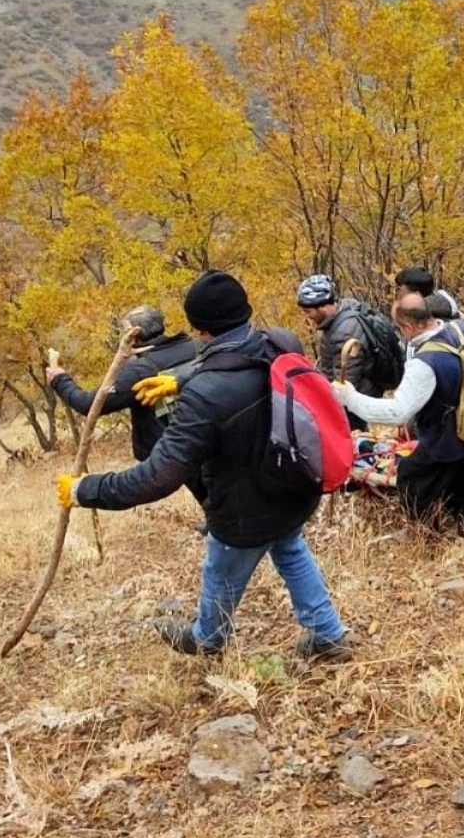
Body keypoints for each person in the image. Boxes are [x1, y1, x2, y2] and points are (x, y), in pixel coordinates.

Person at [57, 271, 349, 659]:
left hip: (244, 512)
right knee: (290, 548)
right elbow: (241, 356)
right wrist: (180, 378)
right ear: (245, 311)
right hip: (293, 486)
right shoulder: (281, 342)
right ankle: (327, 634)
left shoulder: (206, 396)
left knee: (221, 570)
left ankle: (207, 639)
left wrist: (84, 490)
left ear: (199, 330)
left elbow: (157, 477)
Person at [332, 292, 464, 528]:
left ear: (409, 326)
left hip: (443, 442)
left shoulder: (425, 361)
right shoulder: (461, 330)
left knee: (411, 481)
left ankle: (428, 539)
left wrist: (351, 398)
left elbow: (398, 412)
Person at [46, 305, 206, 508]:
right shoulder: (196, 347)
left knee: (204, 488)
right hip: (205, 432)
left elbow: (90, 404)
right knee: (210, 487)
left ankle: (218, 526)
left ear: (135, 336)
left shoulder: (140, 370)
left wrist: (59, 380)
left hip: (174, 444)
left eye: (125, 331)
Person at [296, 274, 400, 429]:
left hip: (353, 403)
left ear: (324, 306)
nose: (307, 316)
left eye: (308, 311)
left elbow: (345, 380)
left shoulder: (345, 332)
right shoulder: (341, 313)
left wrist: (327, 407)